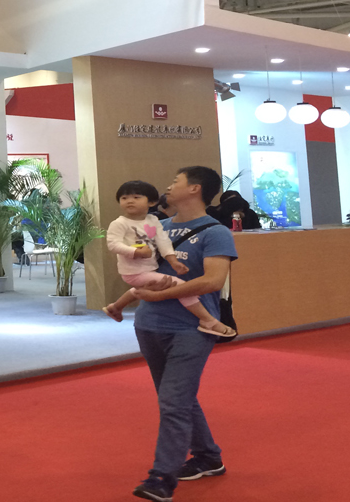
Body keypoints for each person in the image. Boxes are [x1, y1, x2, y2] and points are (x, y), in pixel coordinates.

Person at [127, 165, 238, 502]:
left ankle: (162, 478)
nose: (169, 186)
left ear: (194, 189)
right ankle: (208, 457)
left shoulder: (216, 232)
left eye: (176, 181)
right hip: (149, 324)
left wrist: (161, 294)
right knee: (177, 397)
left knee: (173, 401)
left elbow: (213, 281)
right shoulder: (157, 226)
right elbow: (134, 266)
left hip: (192, 328)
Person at [101, 181, 235, 339]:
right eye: (124, 198)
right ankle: (207, 320)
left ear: (151, 202)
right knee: (180, 285)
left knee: (147, 286)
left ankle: (115, 307)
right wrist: (135, 252)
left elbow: (163, 242)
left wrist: (173, 261)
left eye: (136, 197)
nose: (130, 201)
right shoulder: (120, 223)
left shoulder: (153, 221)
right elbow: (113, 244)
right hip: (133, 271)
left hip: (148, 269)